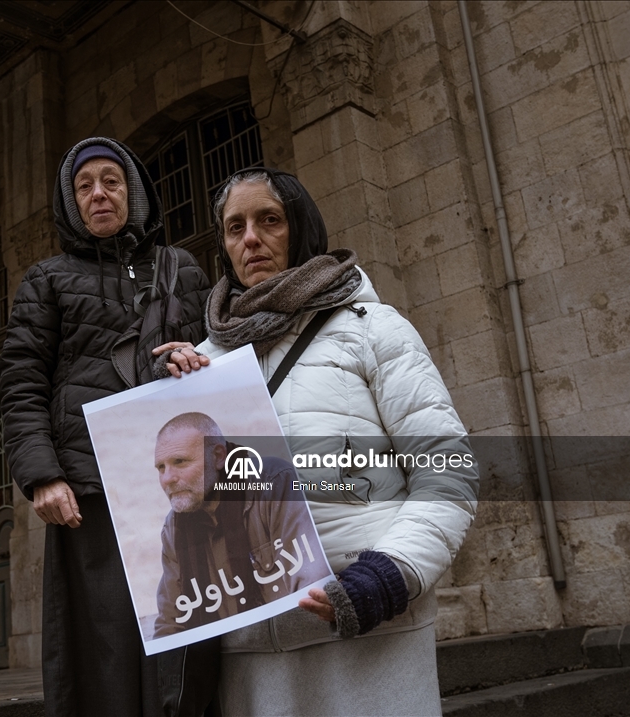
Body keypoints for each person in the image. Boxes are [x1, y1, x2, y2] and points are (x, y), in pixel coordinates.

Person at [171, 168, 478, 716]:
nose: (251, 239)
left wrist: (385, 577)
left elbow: (448, 473)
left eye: (270, 220)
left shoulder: (373, 329)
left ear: (302, 227)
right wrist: (170, 399)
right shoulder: (204, 365)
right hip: (251, 651)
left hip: (367, 628)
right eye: (234, 226)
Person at [0, 137, 216, 716]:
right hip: (89, 492)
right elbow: (22, 387)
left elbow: (217, 358)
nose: (99, 194)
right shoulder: (46, 280)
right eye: (84, 185)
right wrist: (42, 477)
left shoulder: (185, 270)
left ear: (134, 193)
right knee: (105, 651)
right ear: (71, 202)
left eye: (112, 182)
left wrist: (197, 359)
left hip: (177, 486)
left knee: (185, 646)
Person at [152, 413, 324, 638]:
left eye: (179, 462)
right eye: (161, 468)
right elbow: (171, 623)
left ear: (218, 456)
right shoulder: (174, 528)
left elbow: (313, 588)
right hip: (232, 658)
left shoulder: (272, 484)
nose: (167, 479)